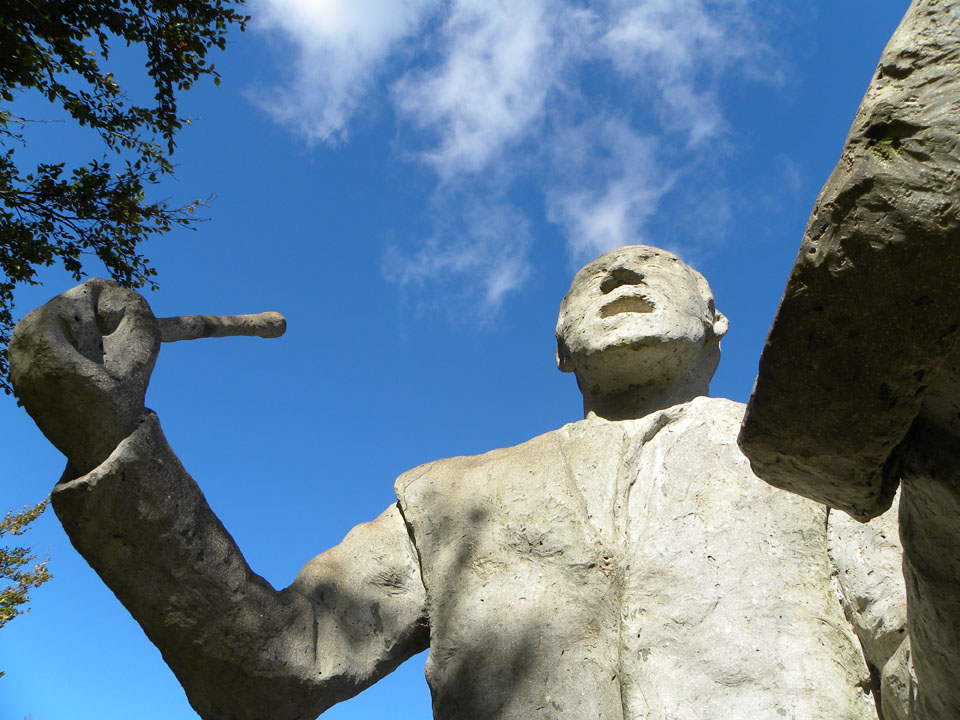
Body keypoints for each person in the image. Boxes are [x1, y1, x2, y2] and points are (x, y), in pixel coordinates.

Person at [10, 245, 903, 720]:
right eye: (591, 280)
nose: (622, 273)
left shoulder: (821, 457)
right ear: (559, 350)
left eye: (658, 267)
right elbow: (271, 671)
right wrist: (106, 439)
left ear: (716, 320)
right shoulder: (450, 498)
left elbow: (918, 663)